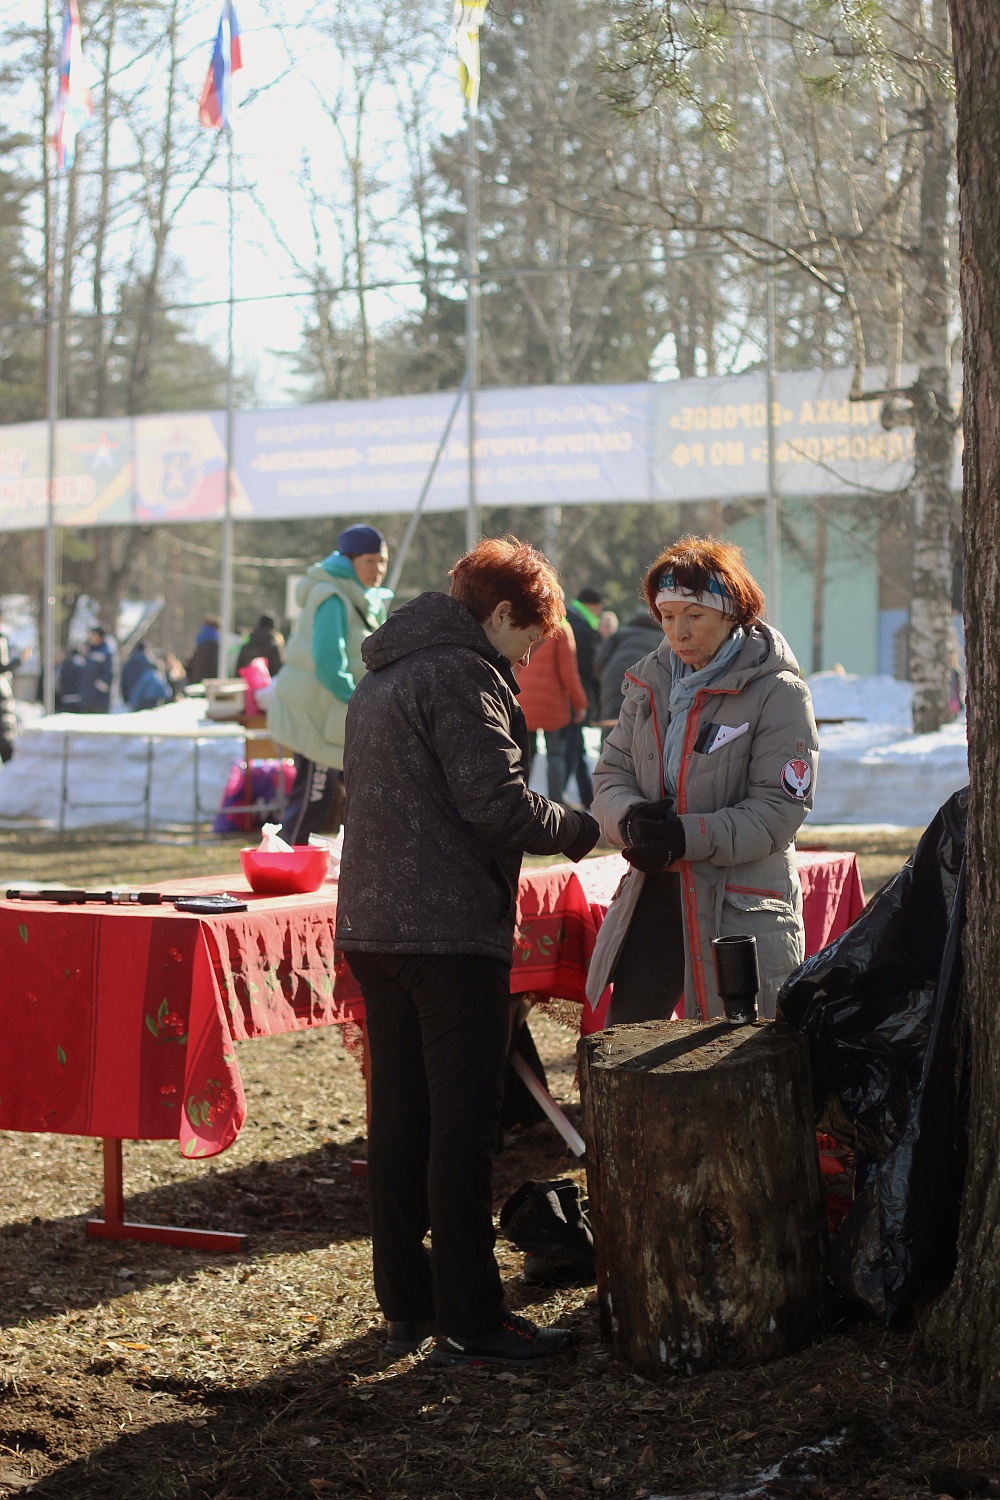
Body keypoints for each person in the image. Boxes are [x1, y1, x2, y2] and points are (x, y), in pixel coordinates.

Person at [336, 537, 600, 1367]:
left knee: (403, 1121)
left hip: (377, 928)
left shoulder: (386, 671)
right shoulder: (459, 672)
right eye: (531, 638)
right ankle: (472, 1319)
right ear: (499, 614)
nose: (530, 657)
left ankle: (407, 1304)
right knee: (461, 1127)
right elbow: (496, 802)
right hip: (446, 932)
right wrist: (586, 830)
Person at [588, 535, 818, 1025]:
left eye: (694, 616)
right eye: (667, 616)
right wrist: (631, 820)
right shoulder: (647, 681)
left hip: (738, 907)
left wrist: (686, 836)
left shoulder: (778, 692)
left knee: (734, 1059)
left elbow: (780, 810)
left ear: (731, 613)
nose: (678, 631)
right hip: (652, 897)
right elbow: (610, 776)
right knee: (625, 1045)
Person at [268, 523, 390, 843]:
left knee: (333, 802)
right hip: (316, 716)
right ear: (348, 560)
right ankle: (283, 865)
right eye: (370, 561)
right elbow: (328, 663)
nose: (377, 569)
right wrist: (358, 701)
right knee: (312, 800)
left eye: (382, 561)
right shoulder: (332, 596)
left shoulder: (362, 597)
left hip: (333, 717)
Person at [514, 610, 588, 804]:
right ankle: (556, 802)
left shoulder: (528, 625)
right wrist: (580, 703)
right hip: (552, 705)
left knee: (525, 755)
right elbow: (569, 673)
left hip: (525, 699)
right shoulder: (562, 630)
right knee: (555, 754)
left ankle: (520, 800)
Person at [564, 587, 603, 807]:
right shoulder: (583, 627)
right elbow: (588, 668)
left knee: (574, 746)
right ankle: (566, 796)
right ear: (593, 606)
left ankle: (587, 796)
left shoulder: (569, 618)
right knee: (570, 747)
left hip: (564, 695)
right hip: (574, 696)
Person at [594, 608, 663, 725]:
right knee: (640, 728)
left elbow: (599, 661)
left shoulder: (620, 634)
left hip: (612, 682)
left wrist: (605, 679)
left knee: (612, 727)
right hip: (645, 686)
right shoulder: (662, 639)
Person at [0, 611, 29, 762]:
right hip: (2, 695)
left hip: (4, 693)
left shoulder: (4, 638)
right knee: (5, 734)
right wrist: (19, 661)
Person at [236, 613, 285, 678]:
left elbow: (239, 671)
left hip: (247, 686)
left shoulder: (246, 646)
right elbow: (279, 672)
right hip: (268, 686)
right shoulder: (274, 647)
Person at [79, 627, 115, 713]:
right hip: (87, 699)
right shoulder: (89, 652)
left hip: (99, 700)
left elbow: (108, 674)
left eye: (93, 636)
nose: (91, 638)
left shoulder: (106, 653)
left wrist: (96, 688)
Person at [185, 617, 221, 685]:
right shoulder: (215, 645)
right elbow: (215, 666)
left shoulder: (200, 645)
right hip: (209, 685)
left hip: (197, 683)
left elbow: (189, 667)